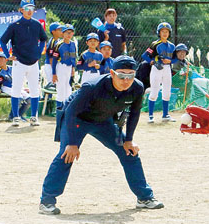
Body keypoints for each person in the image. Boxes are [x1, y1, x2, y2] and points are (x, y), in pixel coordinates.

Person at [38, 56, 164, 215]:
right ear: (112, 73)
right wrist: (71, 143)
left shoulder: (137, 88)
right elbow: (70, 112)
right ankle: (47, 201)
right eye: (121, 75)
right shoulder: (92, 86)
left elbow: (133, 113)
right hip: (78, 119)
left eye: (130, 75)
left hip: (104, 121)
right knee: (66, 155)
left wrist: (129, 140)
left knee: (129, 153)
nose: (126, 80)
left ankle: (144, 198)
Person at [0, 0, 47, 127]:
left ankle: (34, 117)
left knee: (34, 90)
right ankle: (15, 117)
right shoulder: (14, 26)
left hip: (33, 62)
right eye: (26, 8)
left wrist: (39, 52)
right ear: (21, 10)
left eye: (31, 8)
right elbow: (3, 41)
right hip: (18, 62)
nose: (29, 11)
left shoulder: (37, 24)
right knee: (16, 89)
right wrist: (7, 55)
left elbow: (43, 39)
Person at [141, 22, 177, 123]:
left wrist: (170, 61)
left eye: (166, 32)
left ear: (169, 33)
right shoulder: (154, 44)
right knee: (154, 92)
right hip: (157, 69)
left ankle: (165, 115)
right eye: (162, 31)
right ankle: (151, 116)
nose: (165, 33)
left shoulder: (172, 46)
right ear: (159, 33)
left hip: (167, 69)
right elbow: (144, 55)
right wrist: (152, 62)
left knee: (167, 91)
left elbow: (175, 59)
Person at [0, 52, 30, 120]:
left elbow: (18, 78)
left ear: (6, 60)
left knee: (29, 99)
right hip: (5, 87)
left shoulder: (12, 68)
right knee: (18, 97)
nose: (0, 61)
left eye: (2, 59)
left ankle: (20, 115)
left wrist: (22, 88)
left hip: (16, 86)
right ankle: (12, 116)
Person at [52, 24, 77, 108]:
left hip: (70, 68)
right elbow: (54, 60)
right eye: (67, 32)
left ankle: (66, 109)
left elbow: (74, 58)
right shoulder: (59, 44)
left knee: (68, 89)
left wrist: (73, 69)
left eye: (71, 32)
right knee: (61, 89)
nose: (69, 34)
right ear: (63, 33)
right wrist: (54, 74)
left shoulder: (73, 44)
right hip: (61, 67)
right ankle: (59, 109)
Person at [44, 22, 63, 89]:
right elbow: (51, 58)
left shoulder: (59, 41)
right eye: (59, 30)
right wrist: (54, 71)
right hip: (50, 65)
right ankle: (47, 98)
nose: (61, 31)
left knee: (56, 84)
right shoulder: (52, 42)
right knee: (52, 84)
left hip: (55, 64)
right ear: (53, 31)